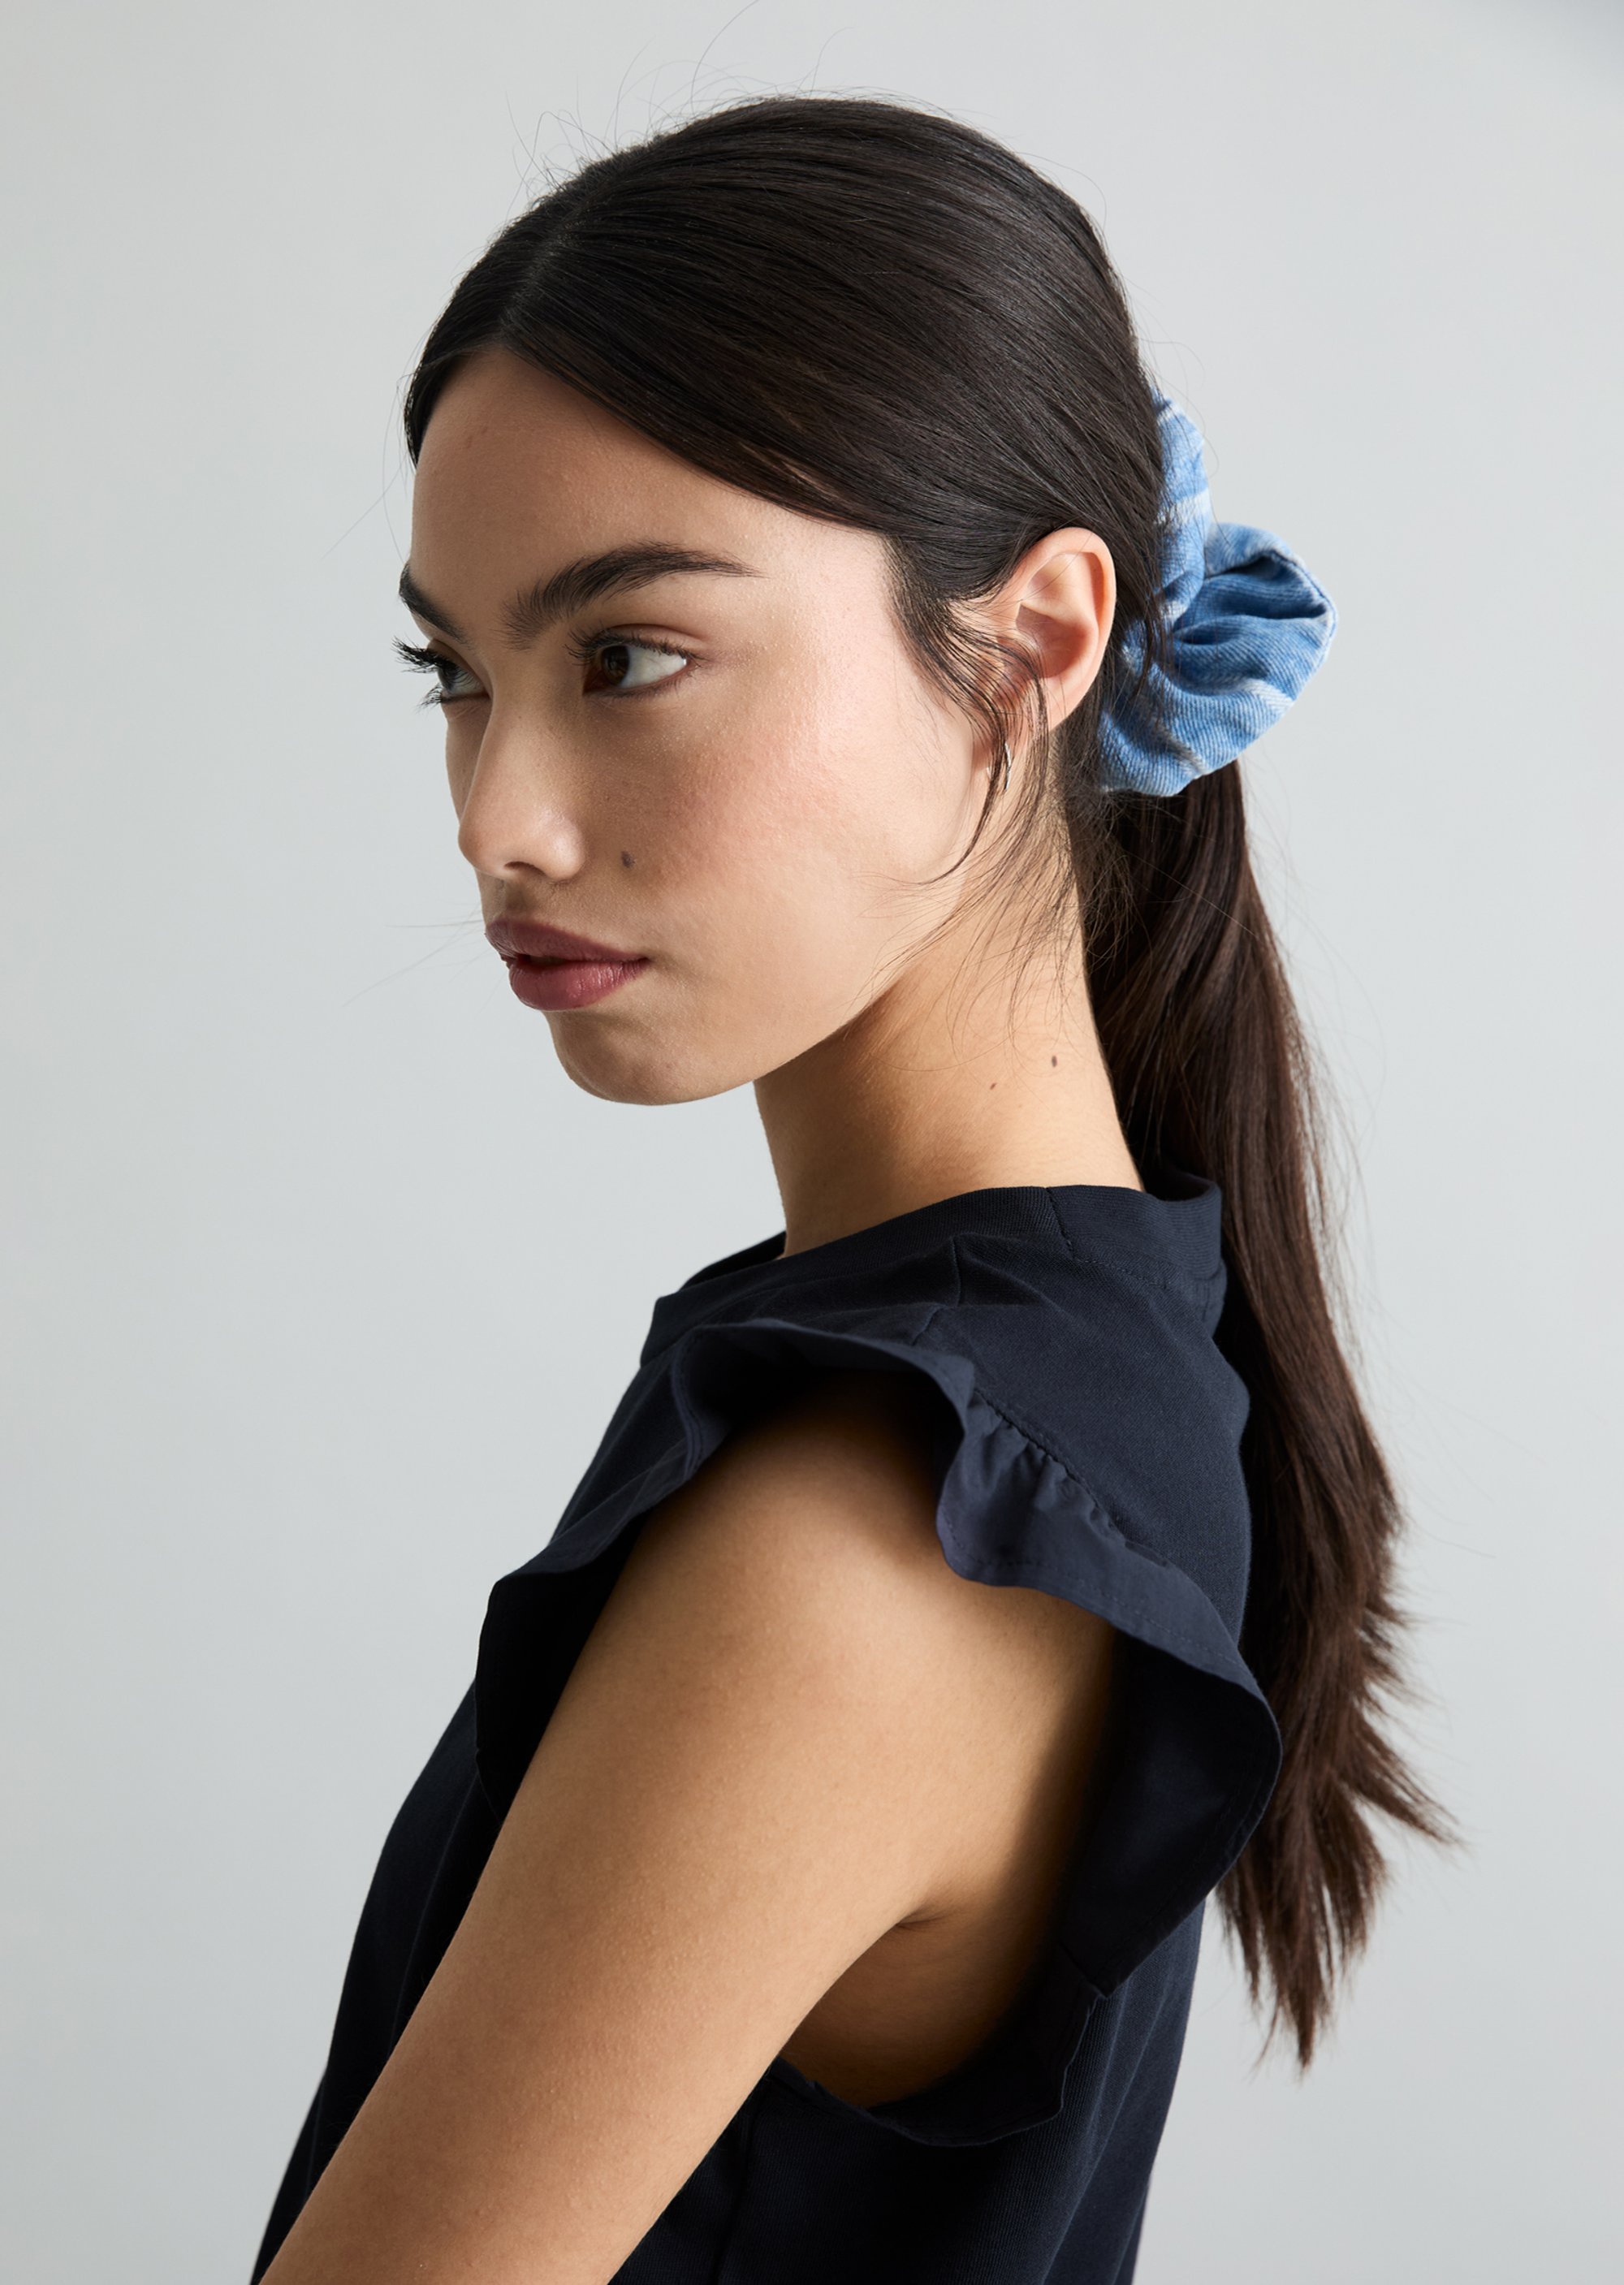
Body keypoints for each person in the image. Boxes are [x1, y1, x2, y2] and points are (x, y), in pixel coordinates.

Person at [249, 93, 1451, 2285]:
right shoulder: (1102, 1344)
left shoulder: (881, 1537)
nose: (495, 816)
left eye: (627, 656)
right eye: (458, 673)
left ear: (1036, 642)